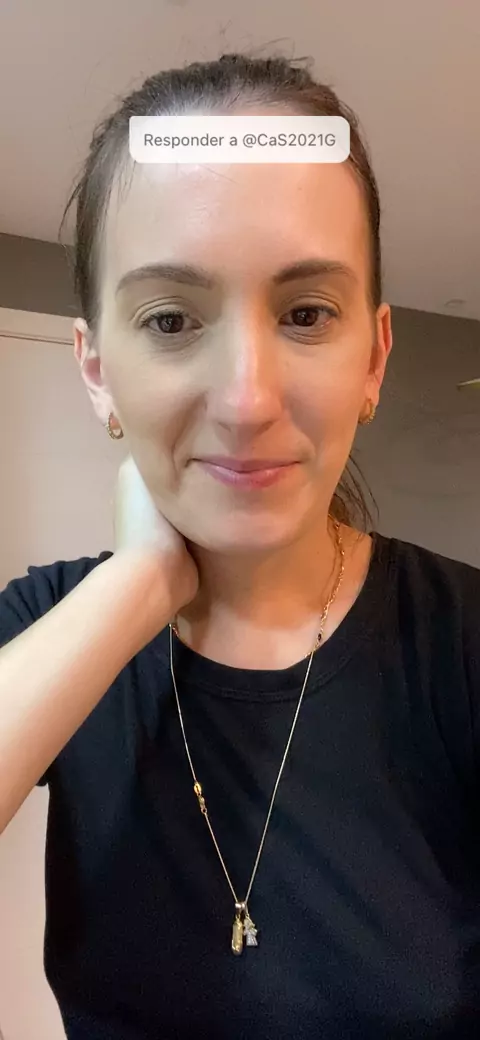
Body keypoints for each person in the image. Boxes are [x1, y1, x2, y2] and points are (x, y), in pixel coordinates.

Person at [0, 50, 479, 1040]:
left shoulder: (464, 644)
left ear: (375, 356)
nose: (248, 399)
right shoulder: (49, 627)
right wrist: (136, 586)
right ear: (96, 369)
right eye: (171, 318)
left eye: (306, 314)